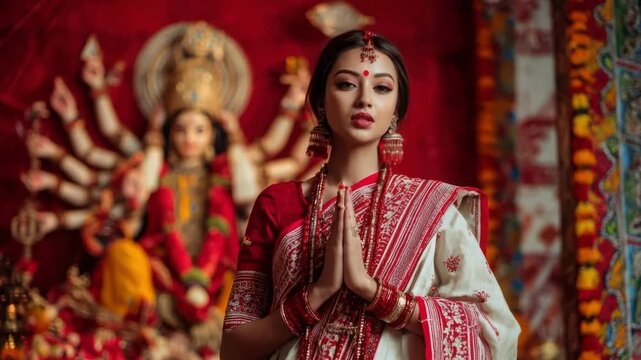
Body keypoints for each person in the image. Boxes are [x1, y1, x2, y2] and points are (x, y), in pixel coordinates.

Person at [221, 30, 520, 359]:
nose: (364, 99)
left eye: (381, 88)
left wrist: (374, 292)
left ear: (395, 109)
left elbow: (491, 330)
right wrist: (315, 295)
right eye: (347, 84)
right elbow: (234, 349)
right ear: (320, 101)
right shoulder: (278, 204)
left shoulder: (433, 210)